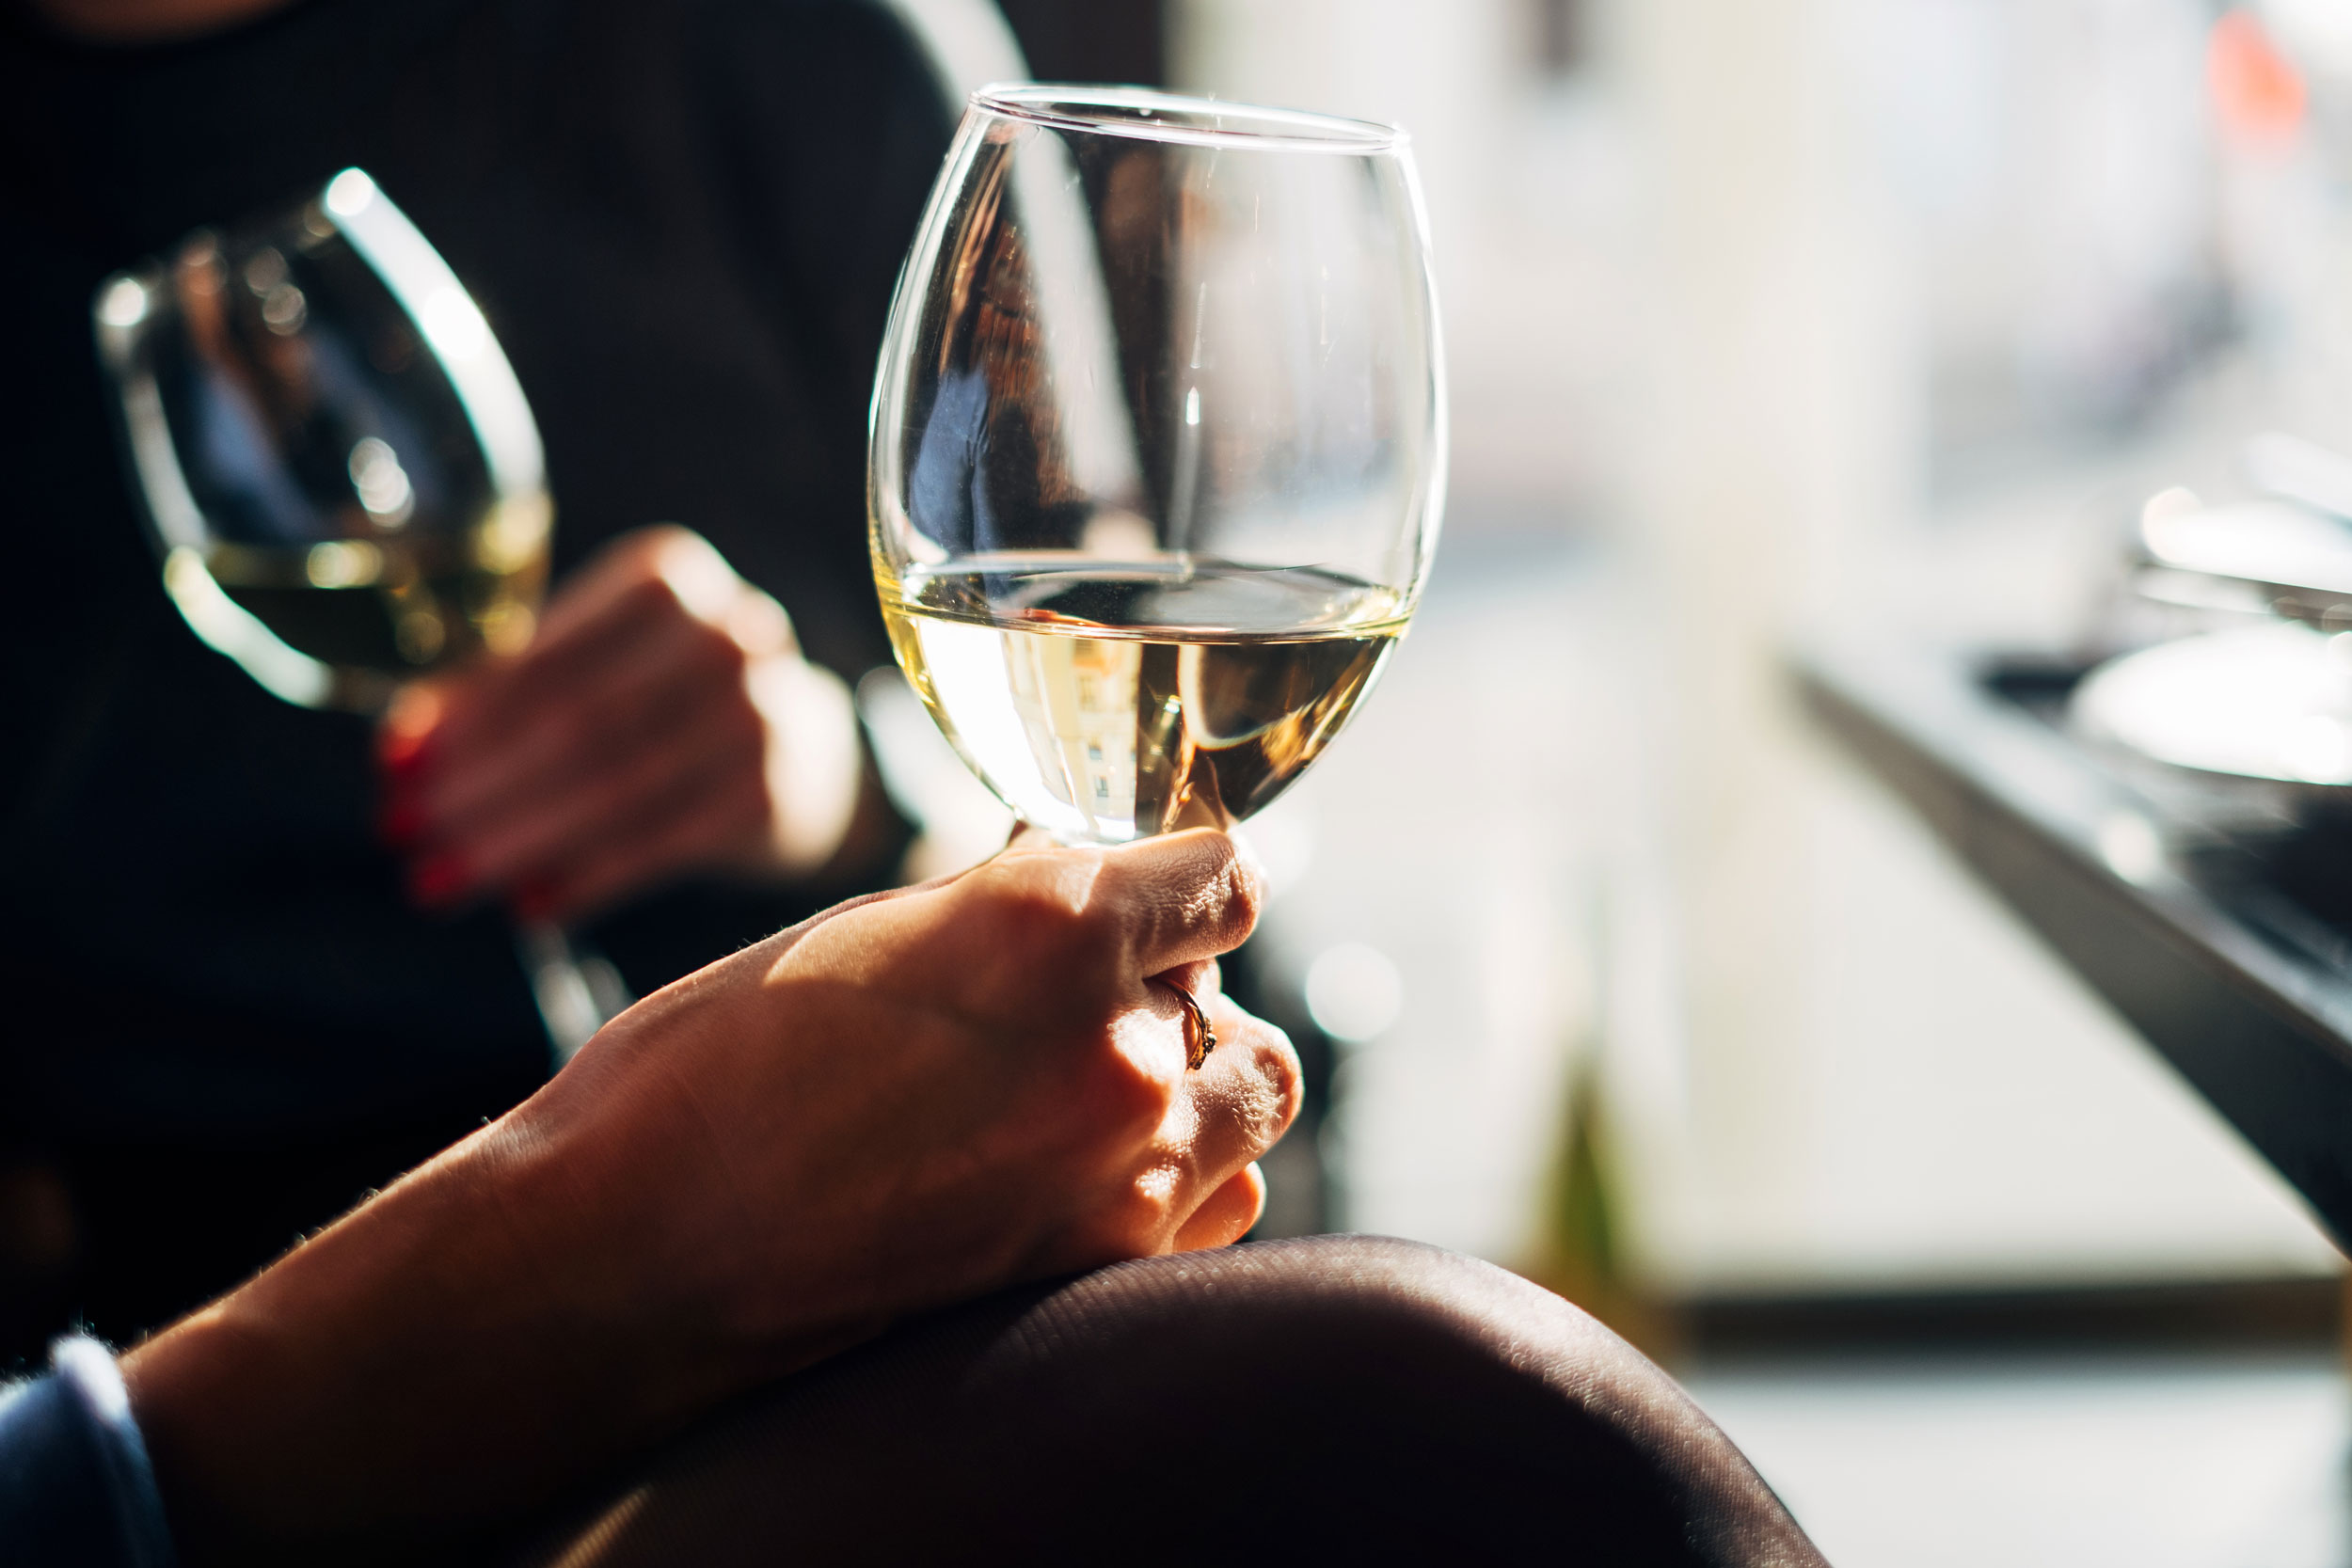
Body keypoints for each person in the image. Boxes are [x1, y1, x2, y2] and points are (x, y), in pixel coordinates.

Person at [0, 830, 1829, 1566]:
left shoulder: (806, 68)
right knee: (1471, 1439)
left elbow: (1053, 692)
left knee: (1466, 1436)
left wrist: (820, 775)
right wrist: (613, 1226)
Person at [0, 0, 960, 1355]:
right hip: (162, 1372)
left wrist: (846, 781)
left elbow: (1160, 819)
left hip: (819, 1283)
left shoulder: (780, 45)